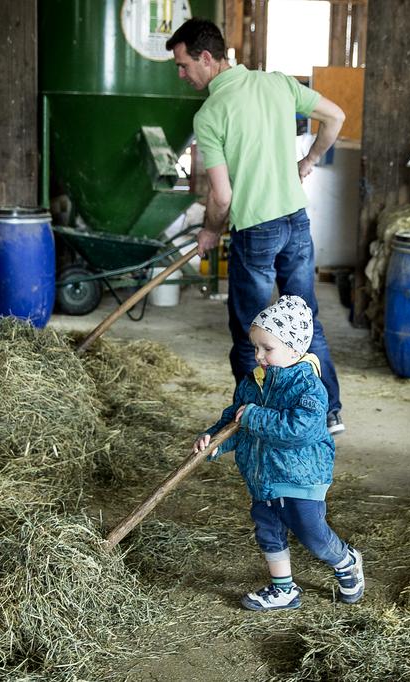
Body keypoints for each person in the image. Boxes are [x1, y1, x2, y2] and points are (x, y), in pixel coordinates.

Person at [166, 18, 347, 435]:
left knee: (252, 329)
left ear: (206, 58)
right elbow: (335, 116)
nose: (181, 74)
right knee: (305, 321)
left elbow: (223, 197)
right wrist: (310, 160)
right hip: (296, 220)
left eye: (183, 65)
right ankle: (328, 411)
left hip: (256, 230)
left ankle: (252, 417)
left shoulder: (210, 114)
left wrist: (210, 230)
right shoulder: (278, 84)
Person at [192, 295, 364, 611]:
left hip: (300, 476)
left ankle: (345, 560)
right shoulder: (253, 381)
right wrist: (214, 440)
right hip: (263, 475)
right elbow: (236, 420)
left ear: (295, 348)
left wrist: (254, 416)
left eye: (267, 349)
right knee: (268, 530)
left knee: (312, 535)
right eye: (255, 347)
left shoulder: (309, 387)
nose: (258, 356)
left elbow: (299, 431)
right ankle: (283, 589)